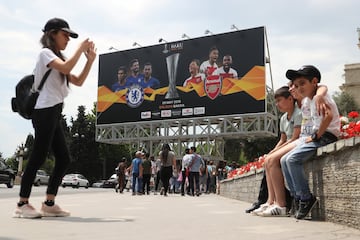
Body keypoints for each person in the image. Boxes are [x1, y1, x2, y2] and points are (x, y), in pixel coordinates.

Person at [13, 18, 96, 219]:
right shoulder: (45, 54)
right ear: (52, 34)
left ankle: (49, 203)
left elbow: (78, 80)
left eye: (70, 36)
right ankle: (22, 204)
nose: (68, 39)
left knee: (63, 157)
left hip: (54, 112)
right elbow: (67, 68)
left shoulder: (58, 59)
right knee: (38, 156)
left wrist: (89, 60)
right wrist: (80, 49)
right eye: (65, 35)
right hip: (44, 111)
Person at [280, 65, 340, 220]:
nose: (298, 88)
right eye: (296, 85)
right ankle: (297, 197)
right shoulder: (308, 99)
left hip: (326, 136)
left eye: (302, 84)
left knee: (293, 160)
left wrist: (316, 136)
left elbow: (328, 116)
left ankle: (306, 198)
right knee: (284, 159)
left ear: (314, 82)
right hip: (318, 135)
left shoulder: (320, 97)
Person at [252, 86, 302, 217]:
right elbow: (282, 139)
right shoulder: (283, 118)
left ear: (290, 99)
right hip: (289, 144)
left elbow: (295, 137)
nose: (277, 104)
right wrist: (272, 151)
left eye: (279, 100)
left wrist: (275, 153)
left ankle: (281, 205)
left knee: (272, 160)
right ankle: (271, 201)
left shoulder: (298, 113)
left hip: (297, 143)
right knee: (267, 160)